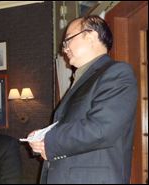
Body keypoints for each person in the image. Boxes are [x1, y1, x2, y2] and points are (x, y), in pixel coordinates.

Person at [28, 15, 138, 184]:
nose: (64, 49)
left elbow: (102, 128)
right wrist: (43, 136)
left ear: (92, 36)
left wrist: (49, 141)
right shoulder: (82, 78)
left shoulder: (116, 73)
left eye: (68, 40)